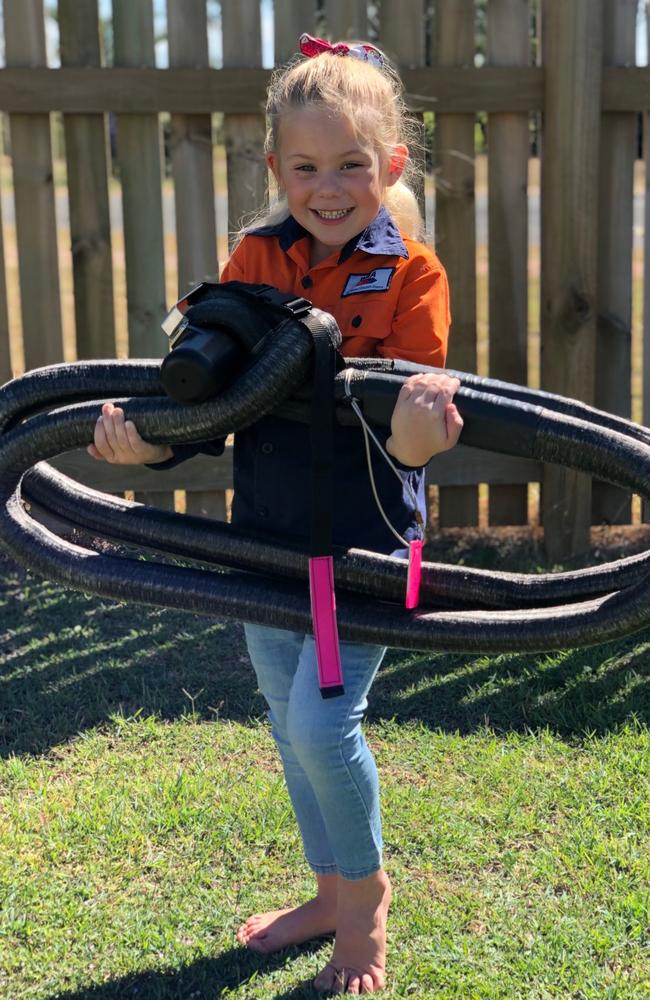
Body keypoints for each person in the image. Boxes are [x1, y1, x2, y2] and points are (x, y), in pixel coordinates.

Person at [89, 34, 462, 996]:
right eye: (306, 167)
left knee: (323, 725)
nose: (328, 188)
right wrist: (147, 442)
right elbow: (206, 406)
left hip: (363, 547)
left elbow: (405, 447)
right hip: (267, 537)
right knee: (286, 722)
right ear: (275, 168)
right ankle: (330, 892)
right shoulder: (253, 258)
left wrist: (424, 433)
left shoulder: (412, 277)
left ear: (390, 165)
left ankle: (366, 898)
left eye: (351, 165)